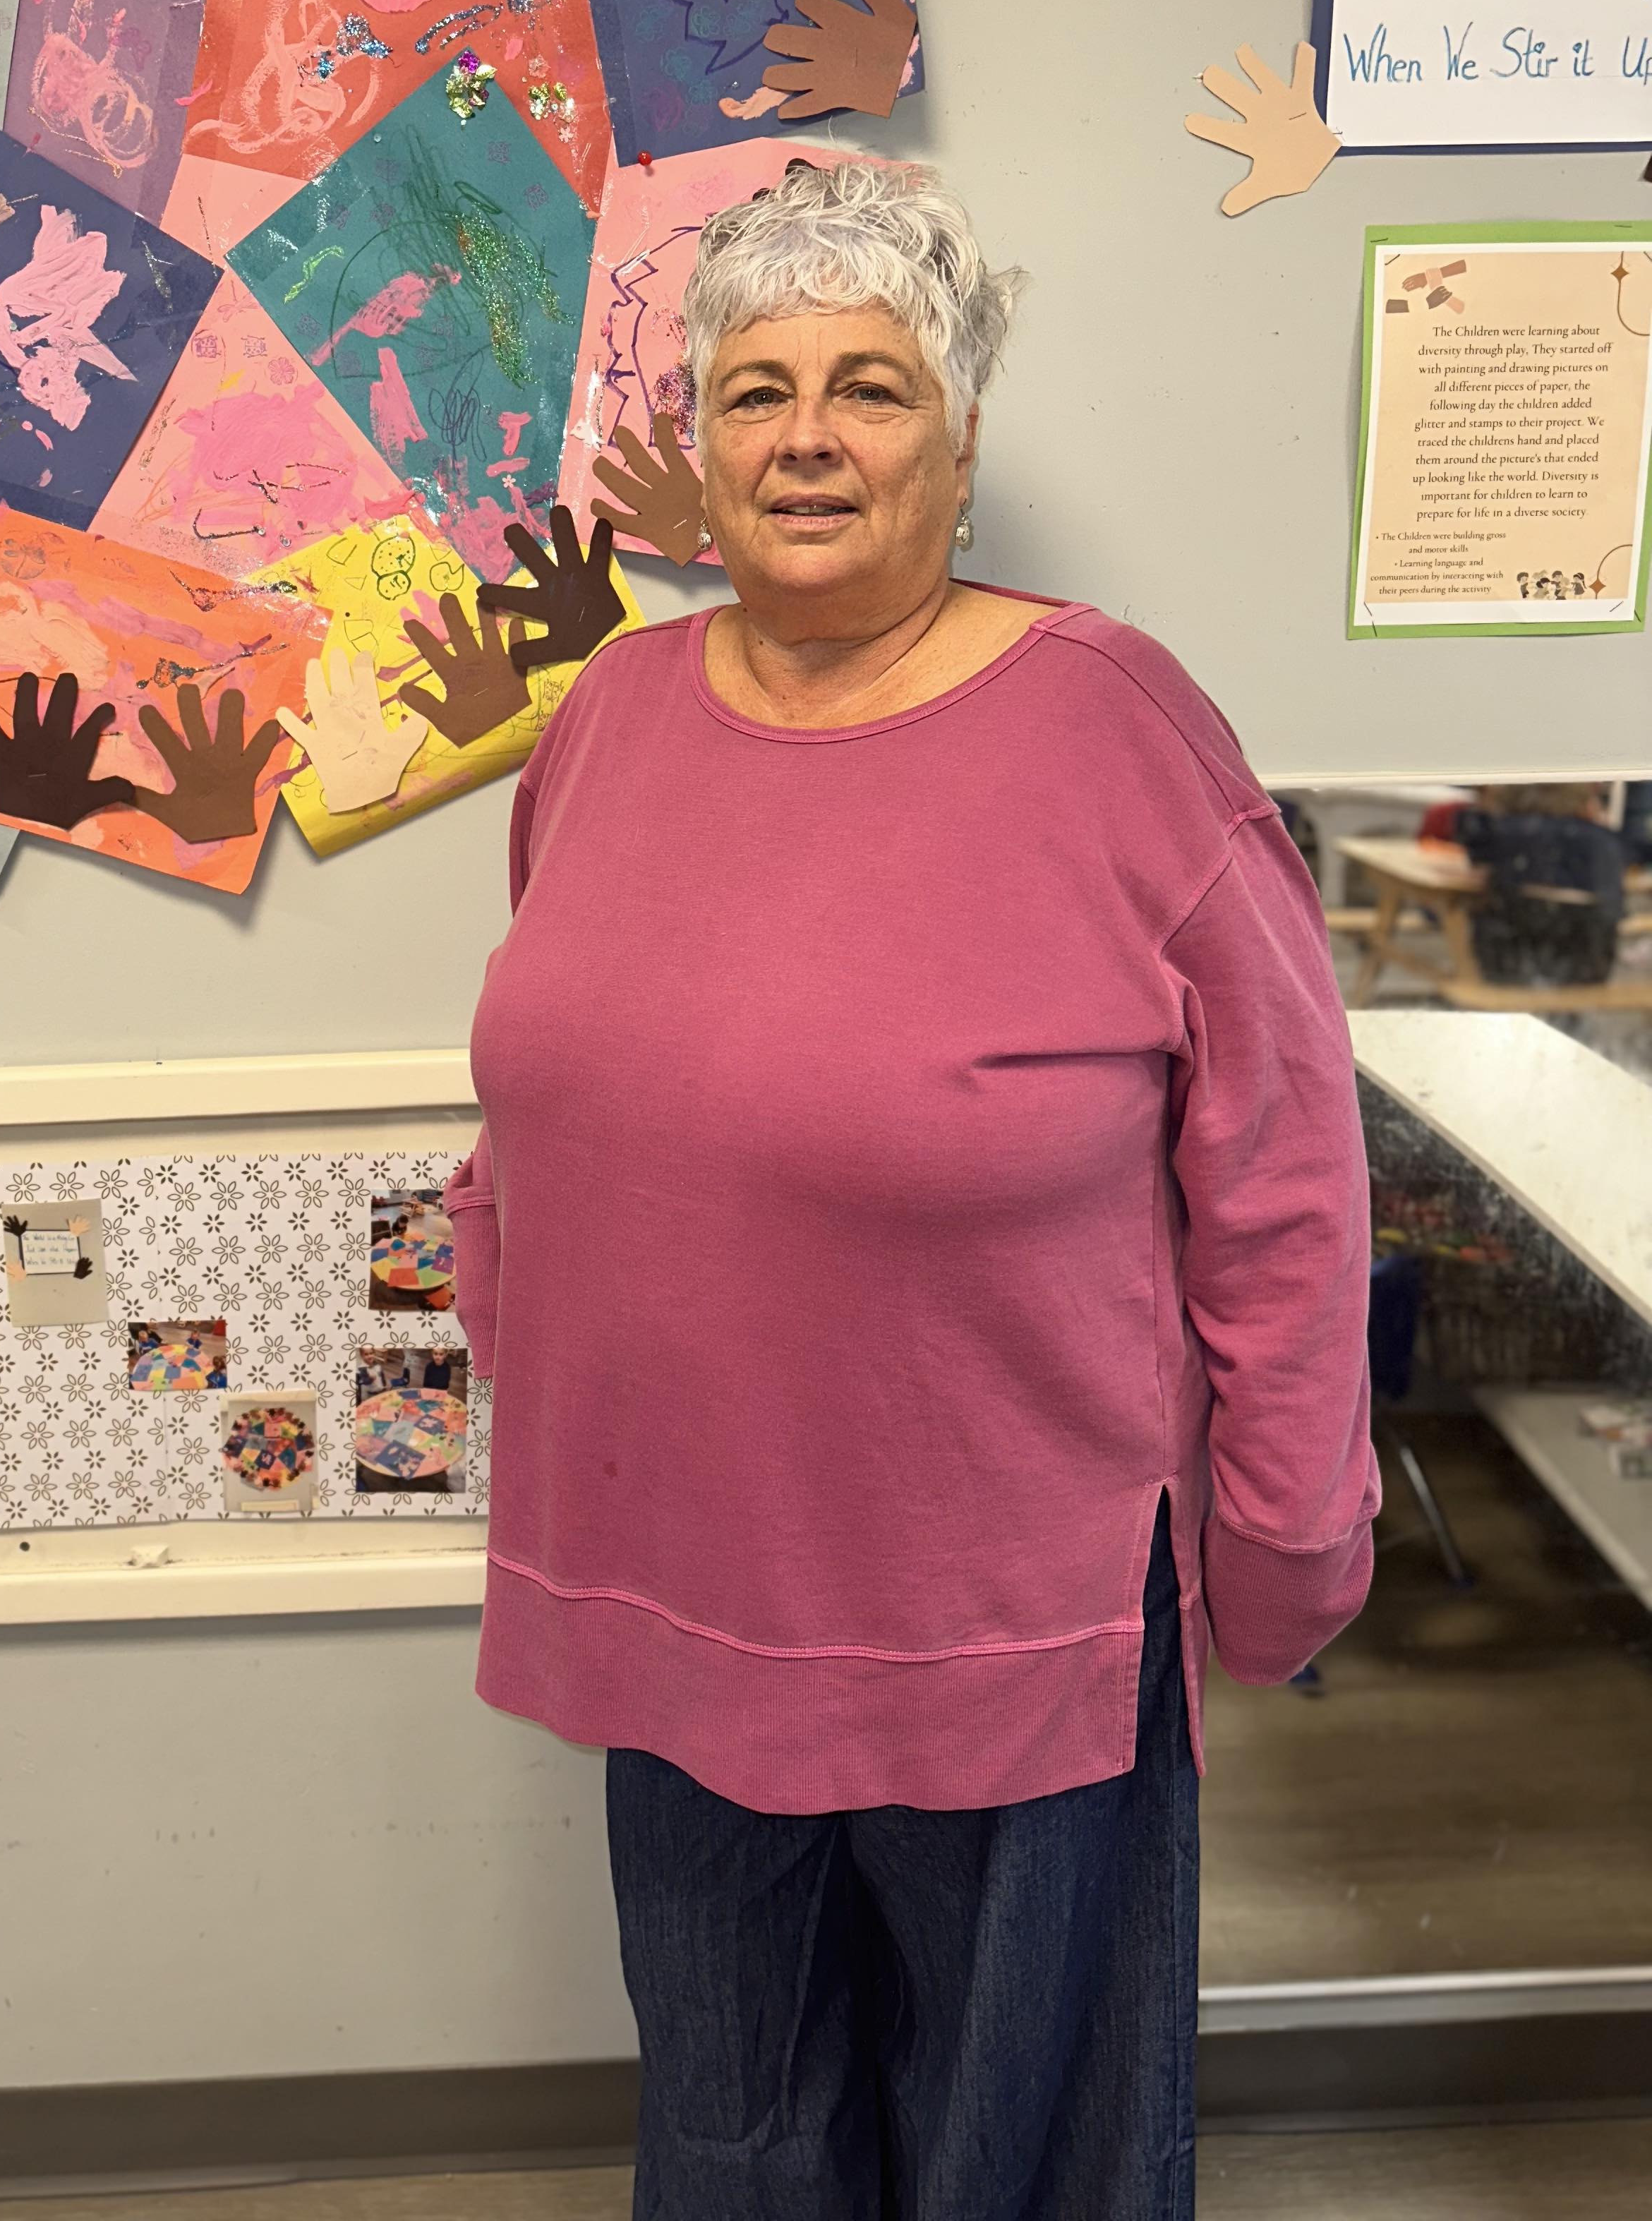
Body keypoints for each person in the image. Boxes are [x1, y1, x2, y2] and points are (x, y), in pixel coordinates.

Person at [446, 159, 1377, 2221]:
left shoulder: (1118, 733)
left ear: (960, 444)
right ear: (698, 443)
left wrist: (1292, 1525)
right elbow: (539, 1113)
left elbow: (1288, 1174)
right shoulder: (605, 724)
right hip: (681, 1585)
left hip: (1009, 1613)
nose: (806, 436)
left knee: (1021, 2153)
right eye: (757, 387)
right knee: (735, 2138)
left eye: (869, 386)